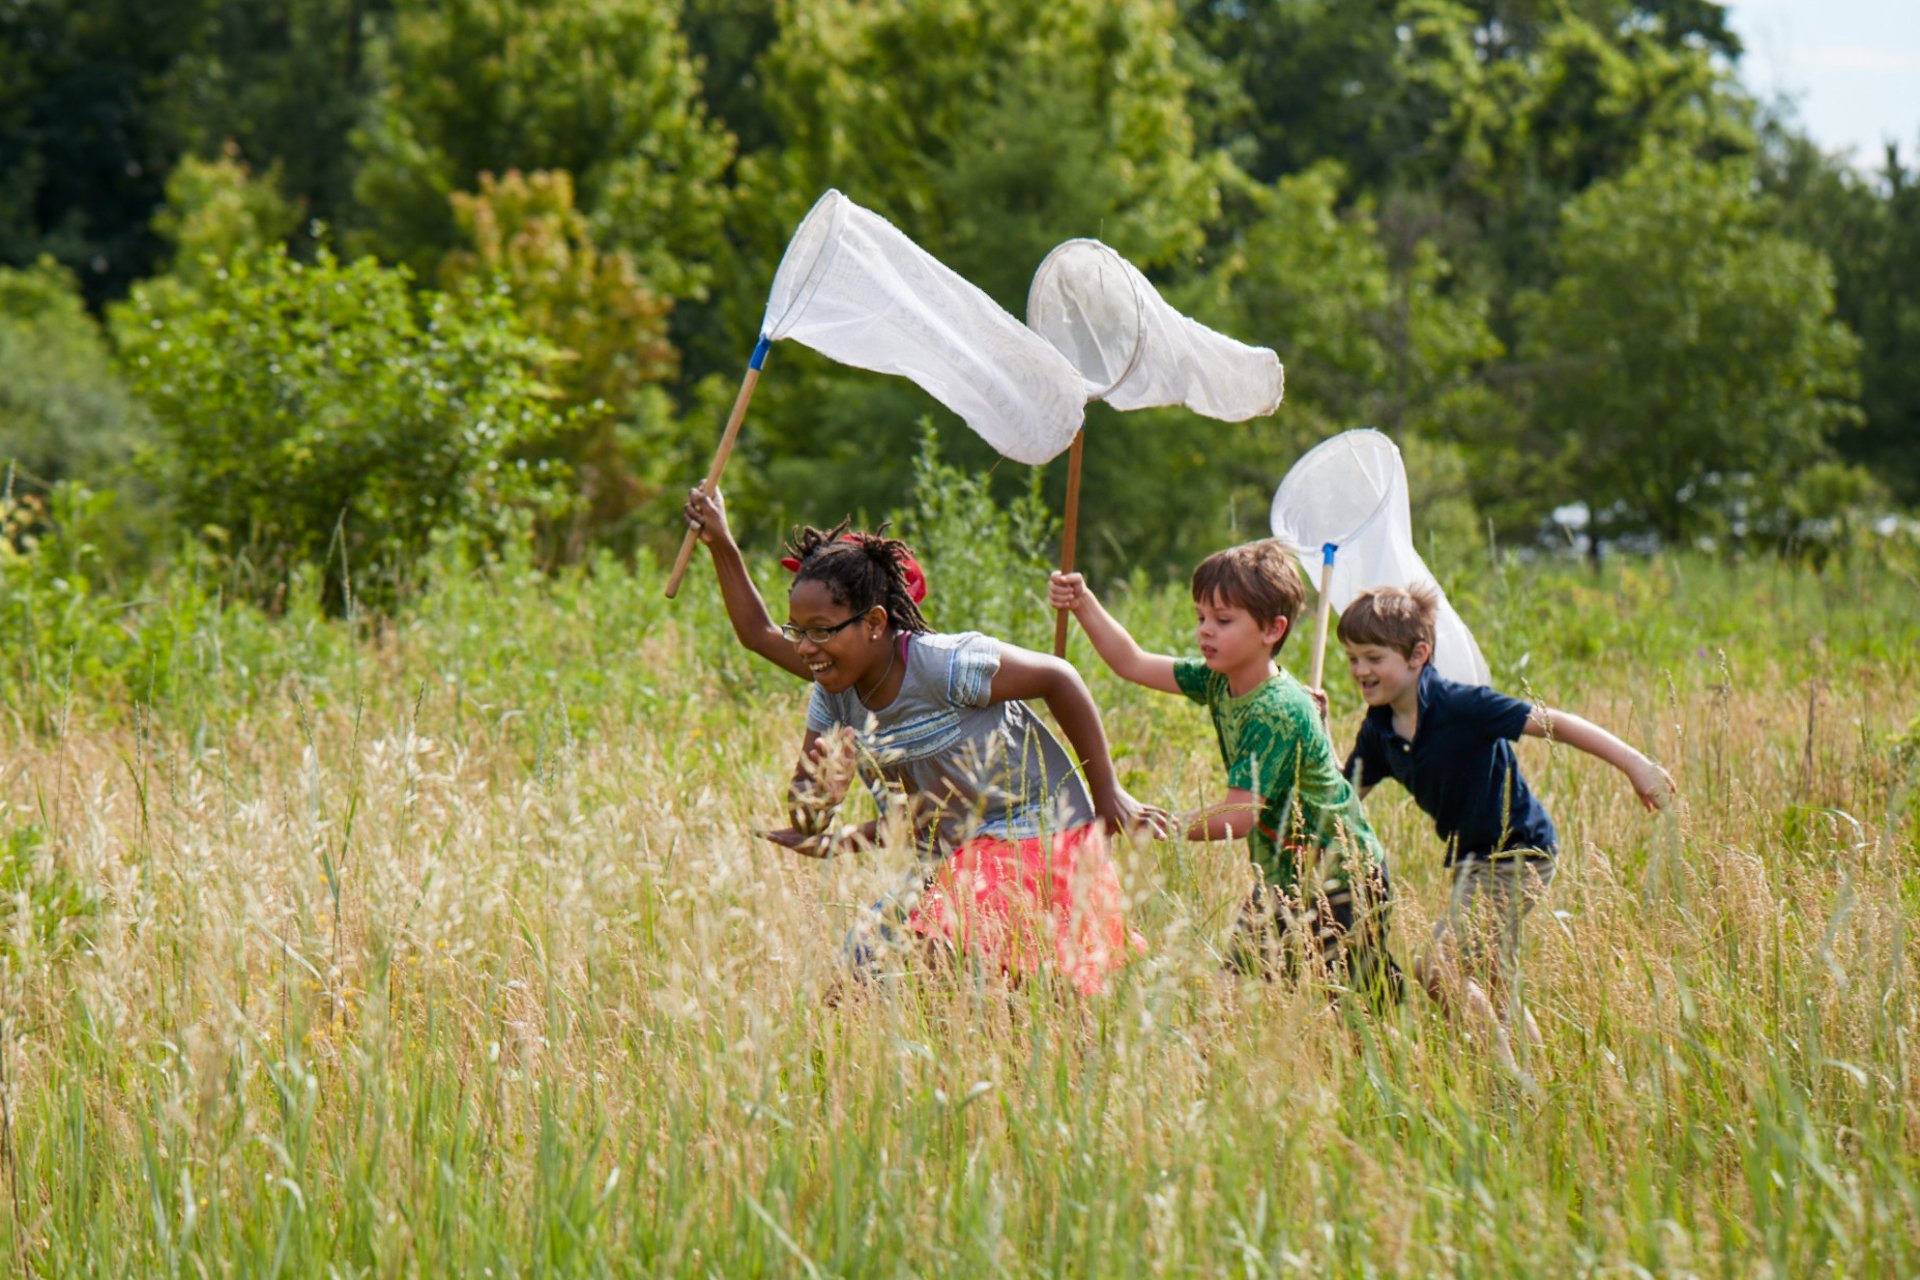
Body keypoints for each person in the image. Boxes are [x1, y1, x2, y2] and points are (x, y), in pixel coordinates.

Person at [682, 487, 1169, 993]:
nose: (805, 647)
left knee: (940, 961)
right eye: (799, 631)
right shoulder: (832, 692)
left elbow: (1059, 677)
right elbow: (760, 641)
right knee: (861, 975)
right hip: (954, 859)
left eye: (822, 630)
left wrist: (1108, 793)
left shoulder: (946, 665)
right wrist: (821, 794)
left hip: (1034, 832)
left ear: (875, 623)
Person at [1336, 583, 1674, 1071]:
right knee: (1492, 982)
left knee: (1440, 968)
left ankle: (1508, 1086)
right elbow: (1342, 797)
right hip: (1472, 862)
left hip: (1519, 852)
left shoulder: (1460, 706)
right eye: (1352, 659)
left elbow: (1555, 721)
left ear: (1418, 655)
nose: (1361, 671)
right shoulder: (1379, 730)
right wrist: (1316, 722)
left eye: (1373, 657)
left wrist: (1634, 764)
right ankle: (1541, 1074)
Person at [1048, 539, 1397, 1001]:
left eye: (1223, 621)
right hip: (1283, 877)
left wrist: (1164, 825)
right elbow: (1131, 662)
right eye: (1201, 618)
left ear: (1273, 629)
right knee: (1233, 993)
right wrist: (1083, 601)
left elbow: (1239, 816)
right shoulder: (1219, 679)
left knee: (1363, 1011)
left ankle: (1451, 1003)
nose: (1204, 632)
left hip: (1342, 876)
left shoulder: (1275, 710)